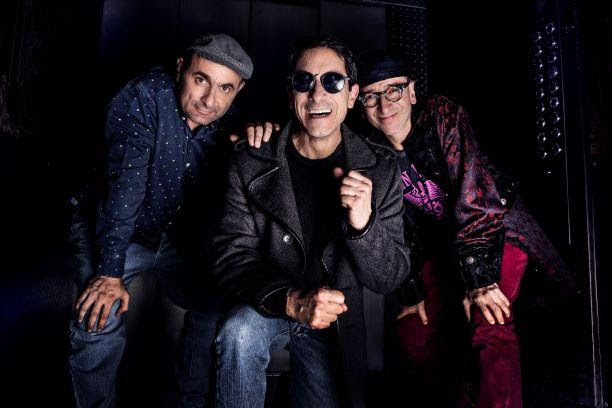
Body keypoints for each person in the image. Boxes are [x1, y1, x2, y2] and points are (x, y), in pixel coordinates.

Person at [355, 50, 571, 408]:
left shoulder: (440, 115)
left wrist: (479, 281)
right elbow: (394, 228)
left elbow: (475, 195)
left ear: (411, 92)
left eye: (393, 90)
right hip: (443, 249)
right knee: (416, 332)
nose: (384, 104)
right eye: (371, 96)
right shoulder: (367, 151)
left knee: (490, 317)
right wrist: (411, 289)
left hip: (494, 230)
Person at [211, 36, 411, 408]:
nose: (317, 95)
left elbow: (388, 278)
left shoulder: (381, 169)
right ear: (291, 95)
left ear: (352, 95)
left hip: (332, 324)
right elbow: (230, 257)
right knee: (238, 331)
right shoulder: (249, 160)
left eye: (332, 81)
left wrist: (363, 224)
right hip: (269, 304)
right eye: (304, 81)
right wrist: (289, 299)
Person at [68, 33, 257, 408]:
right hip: (114, 226)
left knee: (212, 302)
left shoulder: (231, 123)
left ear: (238, 90)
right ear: (181, 68)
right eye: (201, 80)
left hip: (171, 235)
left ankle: (186, 401)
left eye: (225, 88)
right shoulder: (145, 96)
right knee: (99, 312)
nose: (209, 100)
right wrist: (109, 273)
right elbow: (125, 187)